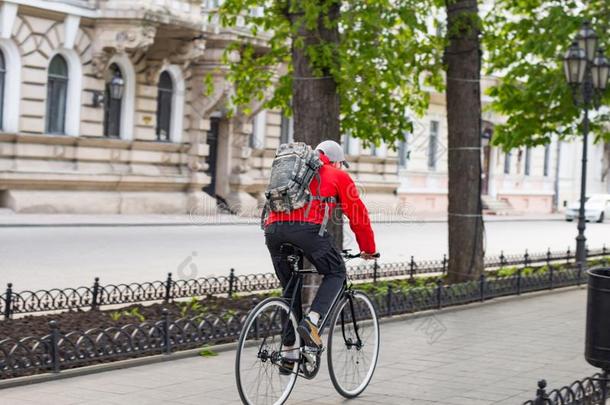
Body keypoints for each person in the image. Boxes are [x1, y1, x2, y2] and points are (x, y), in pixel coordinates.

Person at [263, 140, 378, 369]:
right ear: (335, 160)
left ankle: (289, 355)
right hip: (307, 231)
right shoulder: (337, 175)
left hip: (273, 231)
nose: (341, 167)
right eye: (341, 164)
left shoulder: (293, 170)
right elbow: (358, 216)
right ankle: (313, 322)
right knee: (336, 271)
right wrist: (368, 248)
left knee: (290, 291)